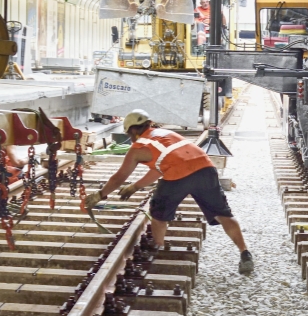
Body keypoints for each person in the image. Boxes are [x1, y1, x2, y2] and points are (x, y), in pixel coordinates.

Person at [84, 110, 254, 275]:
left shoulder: (138, 148)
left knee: (158, 213)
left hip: (178, 175)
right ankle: (244, 252)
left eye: (129, 133)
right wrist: (135, 186)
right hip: (205, 169)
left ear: (133, 130)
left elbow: (119, 176)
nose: (130, 137)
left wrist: (100, 195)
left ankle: (158, 247)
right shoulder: (165, 134)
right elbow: (161, 167)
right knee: (223, 214)